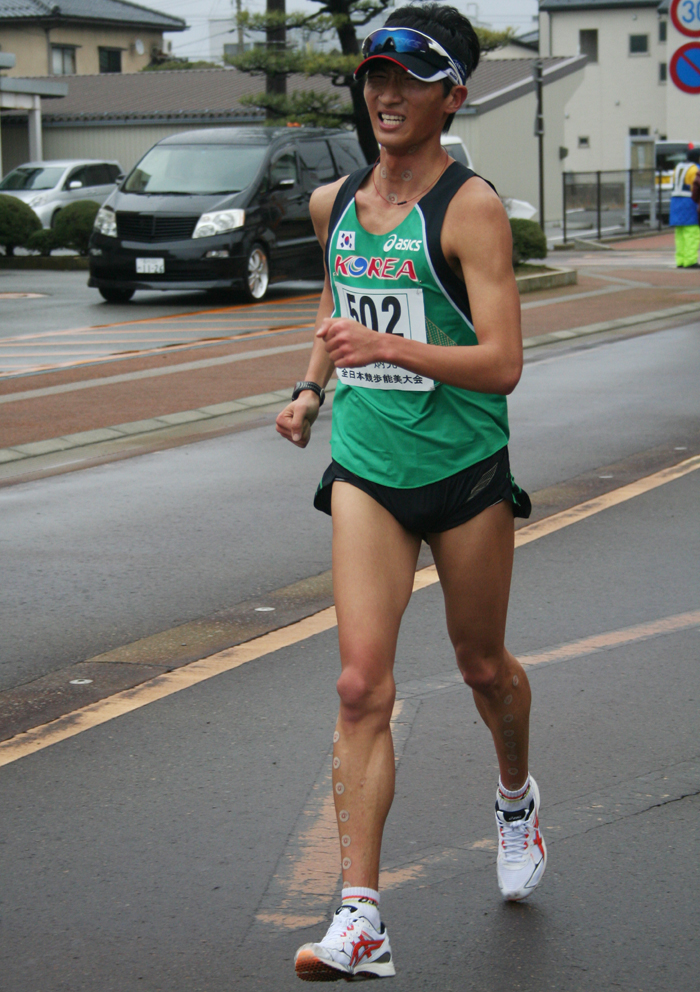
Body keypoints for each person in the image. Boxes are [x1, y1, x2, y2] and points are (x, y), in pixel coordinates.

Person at [276, 3, 546, 981]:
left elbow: (504, 361)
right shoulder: (333, 204)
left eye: (409, 78)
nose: (385, 94)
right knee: (359, 685)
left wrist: (389, 345)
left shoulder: (471, 208)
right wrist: (313, 385)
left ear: (451, 95)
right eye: (374, 75)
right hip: (369, 468)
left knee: (480, 666)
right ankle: (360, 917)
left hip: (465, 473)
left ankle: (515, 799)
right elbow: (336, 296)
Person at [669, 146, 700, 270]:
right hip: (689, 201)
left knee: (680, 233)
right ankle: (691, 261)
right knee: (692, 232)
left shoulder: (678, 167)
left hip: (675, 201)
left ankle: (680, 260)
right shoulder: (696, 168)